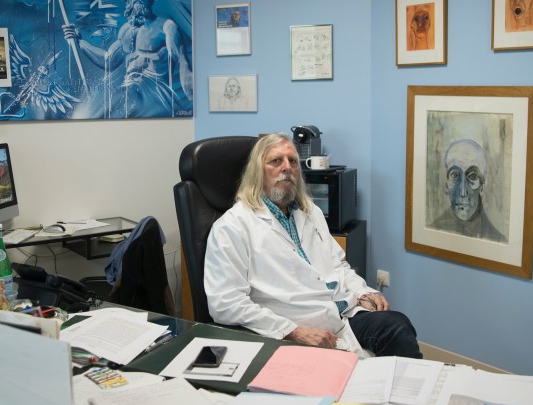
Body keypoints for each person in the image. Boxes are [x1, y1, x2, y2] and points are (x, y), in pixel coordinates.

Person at [204, 133, 422, 358]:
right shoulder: (232, 226)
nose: (287, 167)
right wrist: (292, 331)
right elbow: (225, 303)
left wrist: (362, 291)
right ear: (258, 172)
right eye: (276, 161)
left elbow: (338, 266)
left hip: (340, 313)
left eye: (293, 161)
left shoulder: (310, 212)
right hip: (293, 326)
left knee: (396, 326)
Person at [62, 0, 192, 118]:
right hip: (128, 95)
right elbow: (108, 60)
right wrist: (79, 42)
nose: (133, 5)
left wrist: (190, 99)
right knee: (94, 110)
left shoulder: (166, 27)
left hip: (155, 97)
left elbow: (182, 64)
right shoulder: (126, 30)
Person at [431, 139, 507, 242]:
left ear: (482, 188)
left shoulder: (498, 240)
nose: (463, 192)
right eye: (454, 175)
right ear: (446, 186)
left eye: (472, 176)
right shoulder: (434, 230)